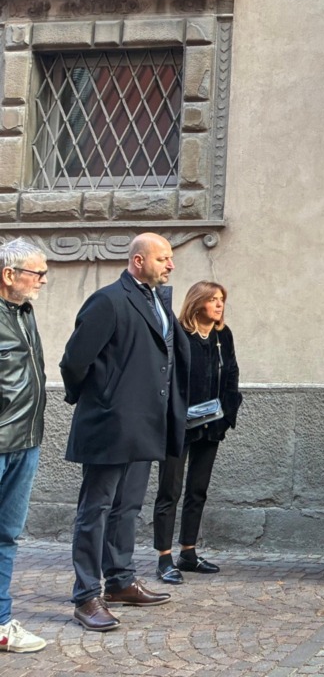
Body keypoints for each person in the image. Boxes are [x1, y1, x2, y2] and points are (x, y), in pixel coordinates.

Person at [60, 233, 189, 632]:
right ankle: (86, 596)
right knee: (95, 511)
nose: (170, 265)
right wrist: (104, 400)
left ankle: (119, 581)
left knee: (128, 507)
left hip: (147, 425)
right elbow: (74, 362)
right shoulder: (109, 300)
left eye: (170, 258)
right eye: (163, 258)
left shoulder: (157, 300)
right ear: (137, 261)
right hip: (111, 424)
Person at [153, 281, 242, 585]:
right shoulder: (178, 334)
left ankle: (187, 552)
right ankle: (164, 557)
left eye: (221, 299)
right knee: (170, 491)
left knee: (197, 490)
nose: (219, 305)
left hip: (211, 424)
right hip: (178, 426)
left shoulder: (222, 335)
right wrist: (170, 416)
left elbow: (231, 372)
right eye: (213, 300)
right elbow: (165, 378)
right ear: (197, 303)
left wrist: (228, 413)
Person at [0, 239, 49, 653]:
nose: (43, 282)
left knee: (6, 536)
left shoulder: (24, 312)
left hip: (25, 441)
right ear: (8, 275)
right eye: (38, 274)